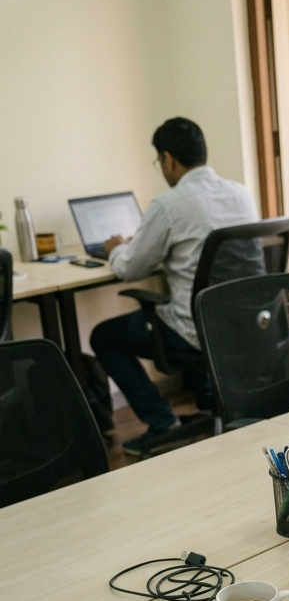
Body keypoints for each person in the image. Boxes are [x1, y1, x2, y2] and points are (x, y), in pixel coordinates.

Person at [90, 117, 259, 456]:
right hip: (246, 323)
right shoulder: (241, 194)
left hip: (196, 332)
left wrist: (116, 248)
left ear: (168, 159)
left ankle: (162, 421)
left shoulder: (169, 204)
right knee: (192, 300)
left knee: (104, 337)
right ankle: (209, 402)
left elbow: (129, 268)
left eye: (159, 161)